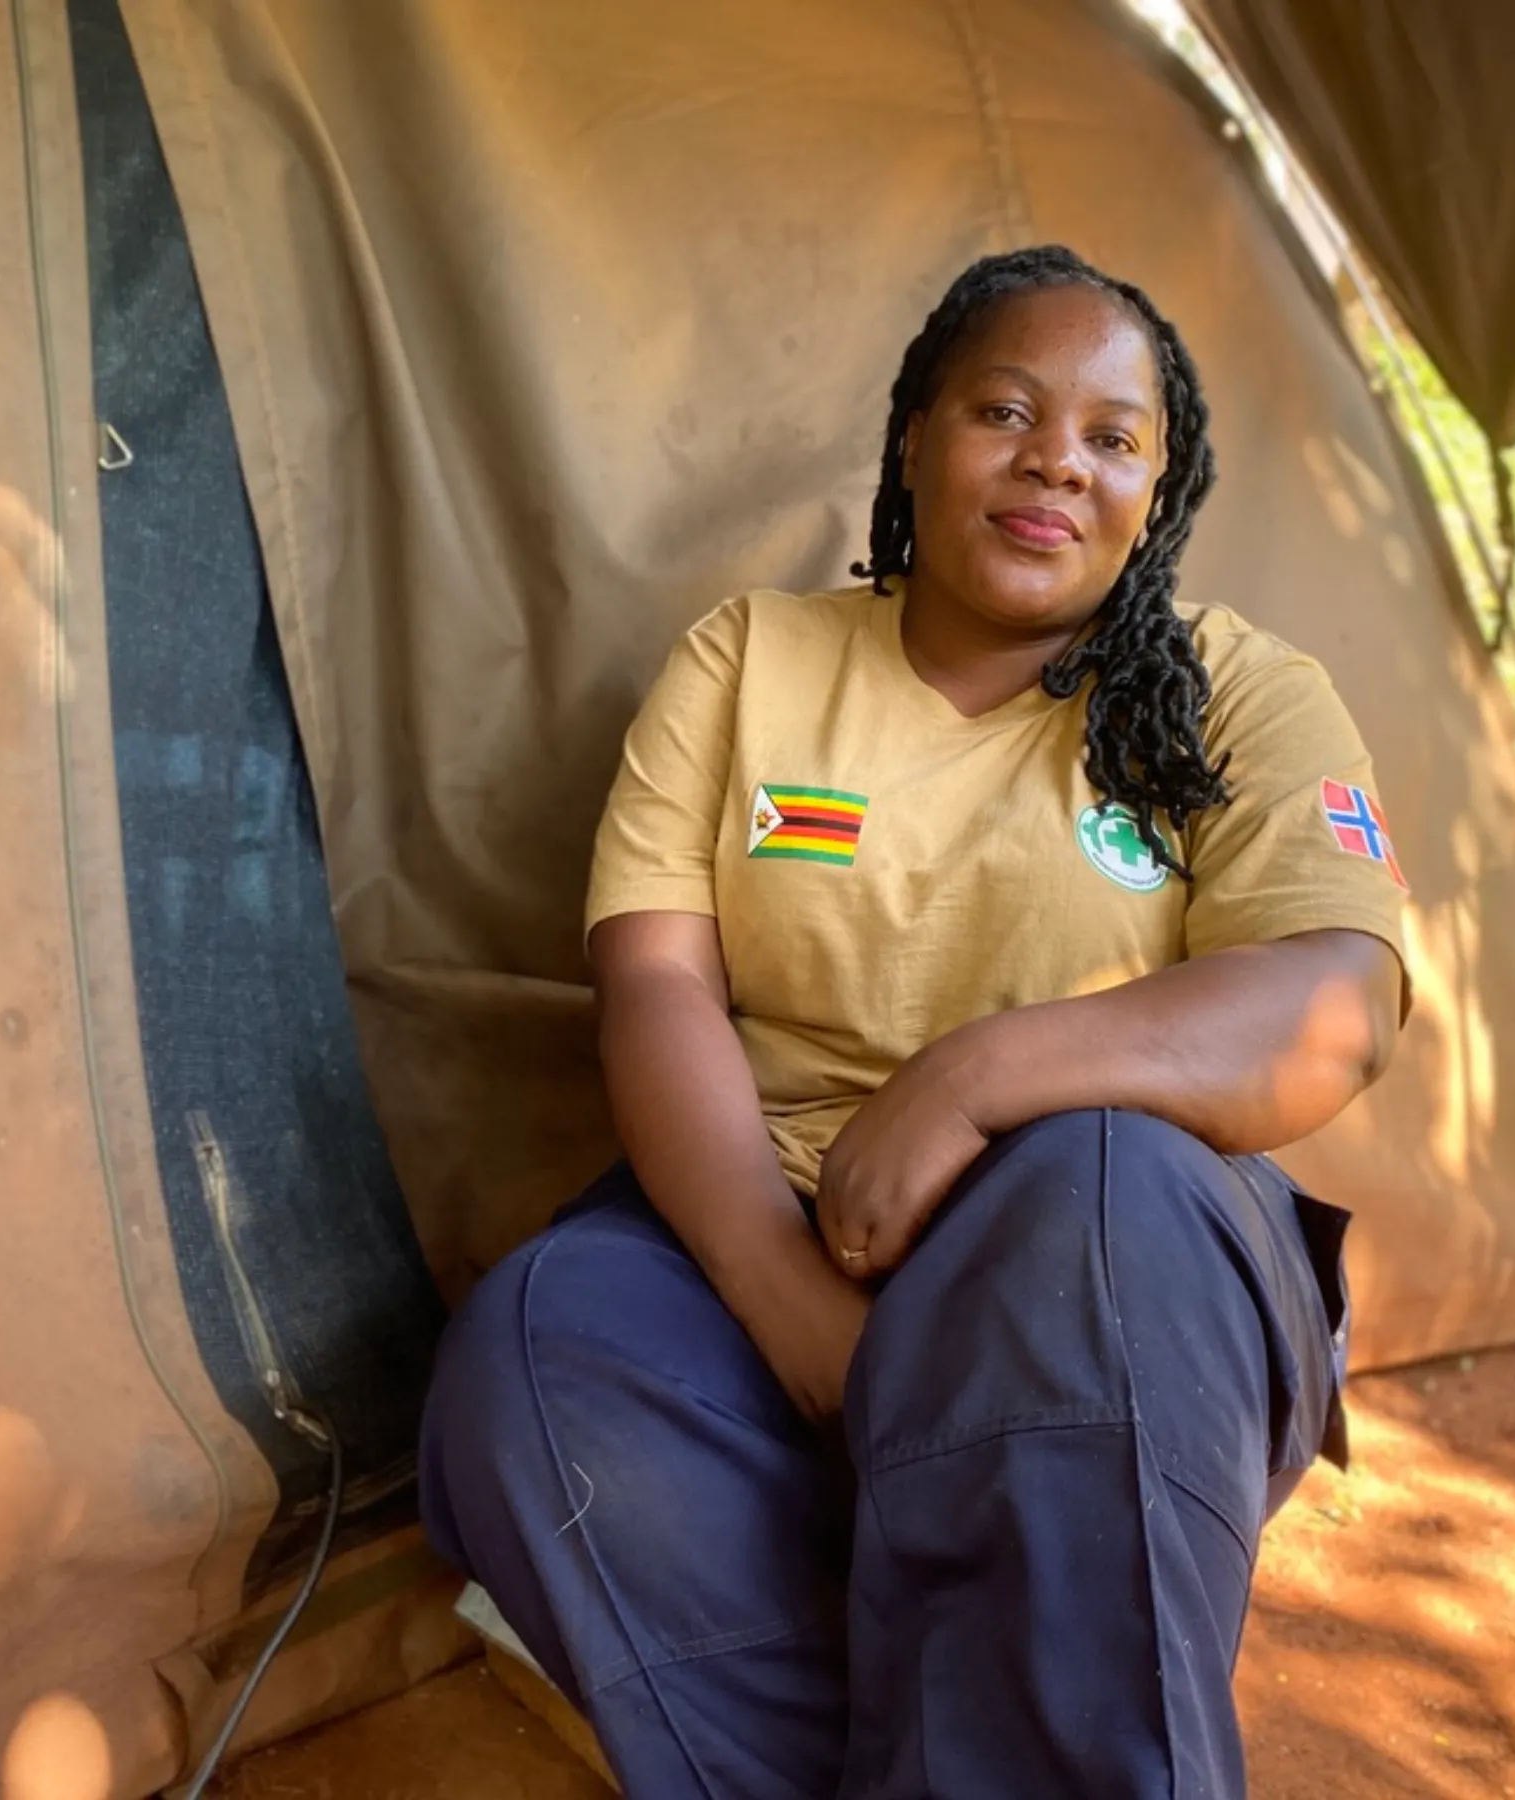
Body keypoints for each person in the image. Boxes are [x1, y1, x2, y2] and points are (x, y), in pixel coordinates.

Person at [419, 245, 1410, 1800]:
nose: (1053, 465)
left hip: (1120, 1265)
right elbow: (659, 984)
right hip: (781, 1228)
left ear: (1163, 482)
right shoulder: (751, 661)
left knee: (1091, 1185)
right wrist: (779, 1292)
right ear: (913, 437)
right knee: (537, 1354)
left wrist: (981, 1077)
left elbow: (1332, 1002)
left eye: (1112, 437)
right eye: (1003, 410)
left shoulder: (1241, 693)